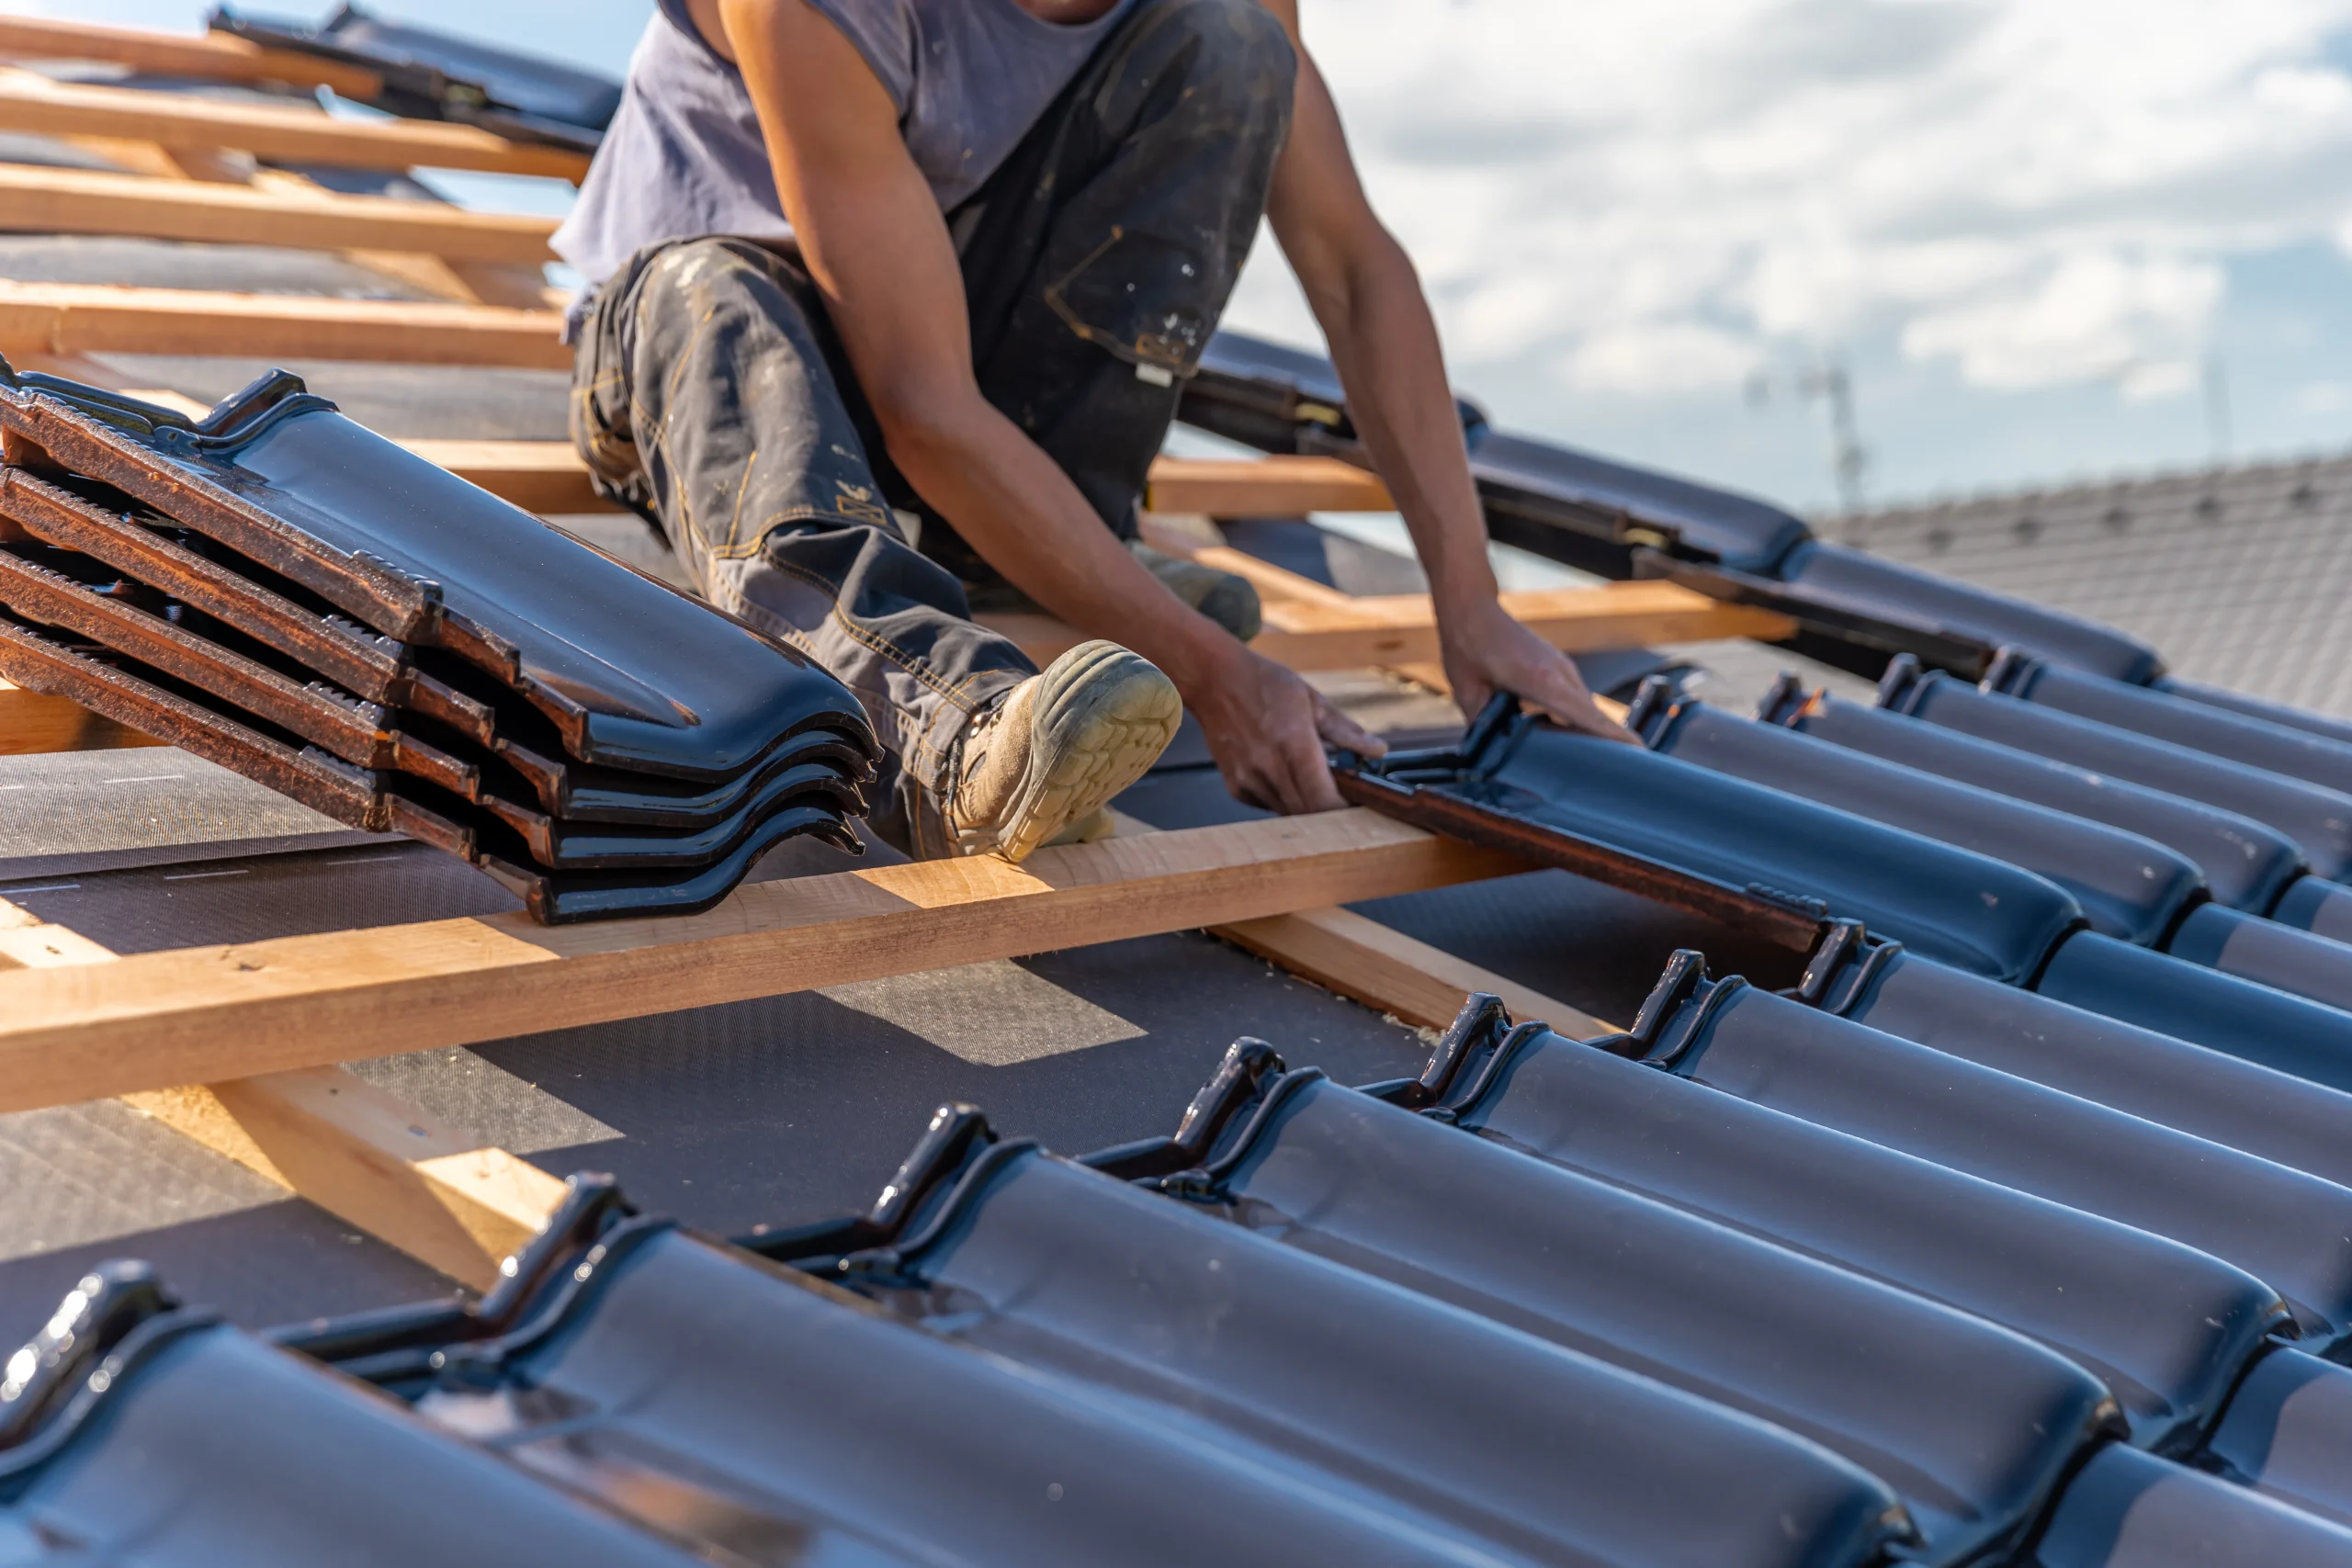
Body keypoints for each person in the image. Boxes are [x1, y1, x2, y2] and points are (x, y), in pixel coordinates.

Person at [554, 0, 1630, 863]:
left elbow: (1354, 272)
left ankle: (1028, 571)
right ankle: (946, 729)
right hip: (708, 345)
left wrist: (1471, 603)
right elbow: (920, 404)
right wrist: (1210, 671)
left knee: (1229, 43)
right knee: (722, 297)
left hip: (941, 335)